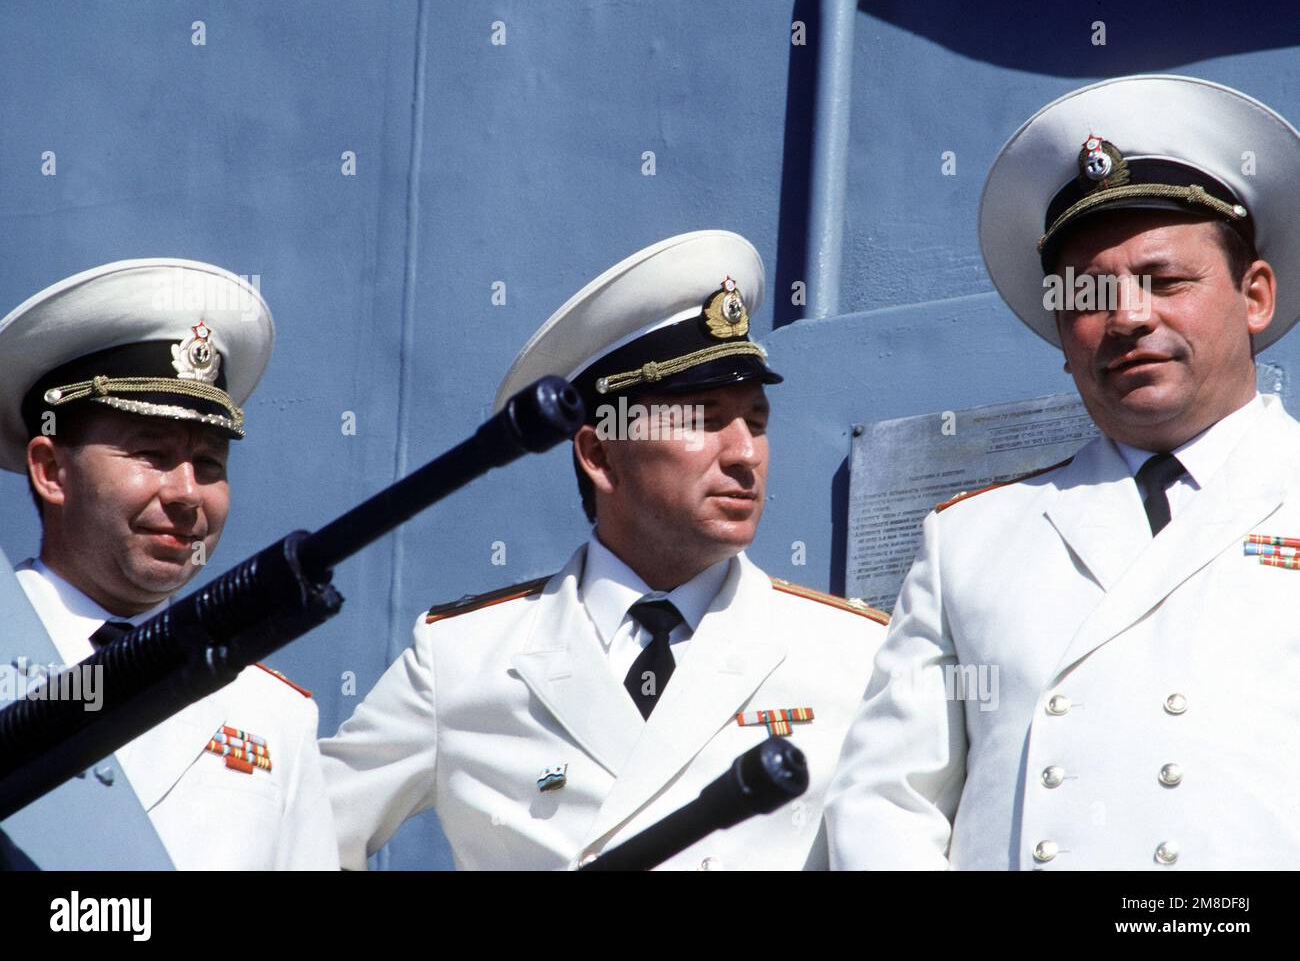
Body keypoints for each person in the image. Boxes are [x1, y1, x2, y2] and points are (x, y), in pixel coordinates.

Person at [826, 75, 1300, 869]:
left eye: (1166, 280)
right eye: (1090, 294)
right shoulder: (971, 544)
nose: (1129, 317)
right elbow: (883, 803)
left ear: (1254, 296)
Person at [320, 230, 888, 870]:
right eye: (702, 418)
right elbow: (294, 830)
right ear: (599, 453)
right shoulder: (463, 659)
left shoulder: (854, 654)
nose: (745, 454)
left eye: (755, 421)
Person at [0, 258, 338, 870]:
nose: (187, 494)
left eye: (209, 464)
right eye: (150, 454)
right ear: (51, 471)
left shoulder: (275, 715)